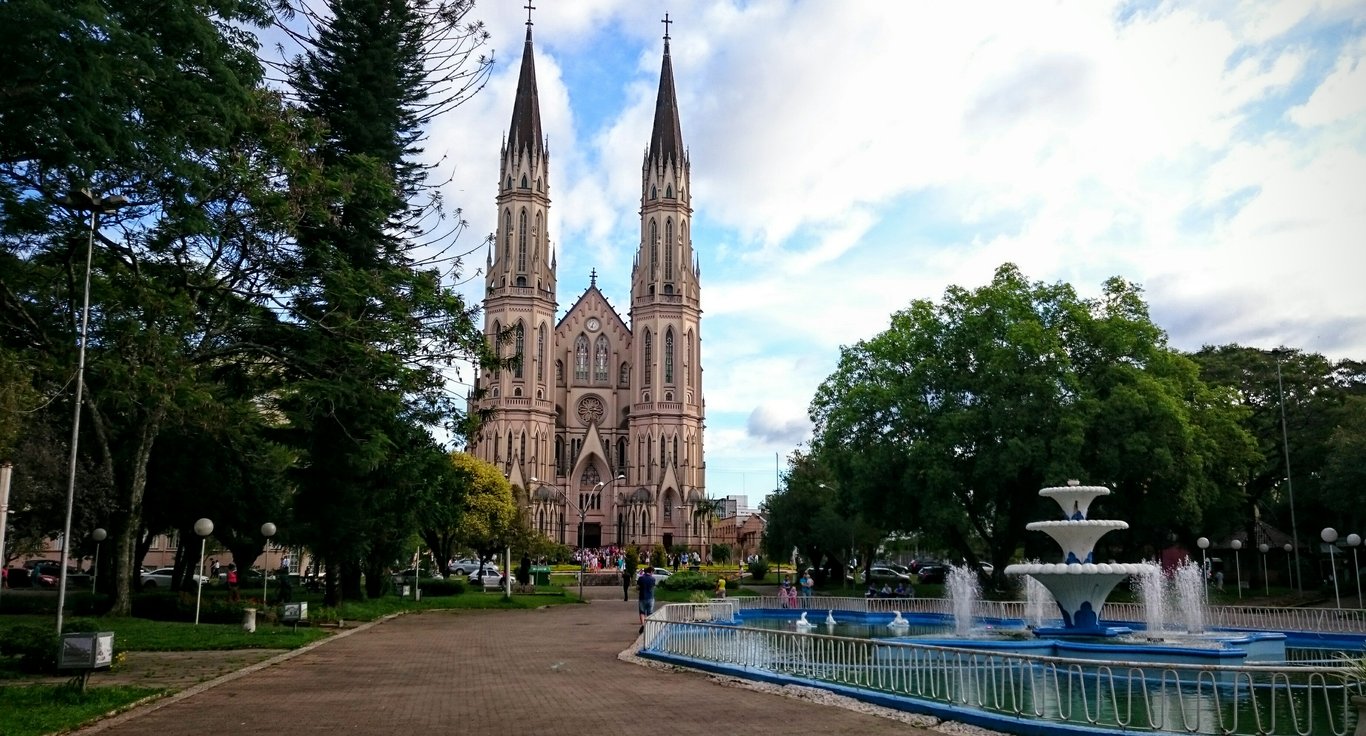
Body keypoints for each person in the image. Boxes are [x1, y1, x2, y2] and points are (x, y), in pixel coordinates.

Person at [637, 567, 656, 634]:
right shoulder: (653, 579)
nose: (653, 573)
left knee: (642, 612)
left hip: (642, 597)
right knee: (649, 613)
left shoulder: (641, 578)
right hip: (650, 597)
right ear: (651, 571)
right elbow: (653, 587)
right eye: (653, 572)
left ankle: (643, 624)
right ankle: (648, 626)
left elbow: (637, 587)